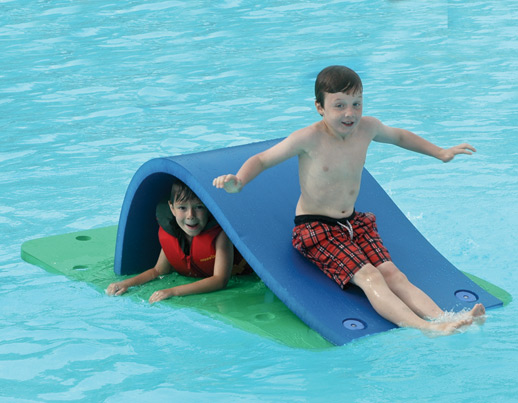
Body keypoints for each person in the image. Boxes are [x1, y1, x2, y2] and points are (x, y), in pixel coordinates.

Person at [213, 65, 485, 334]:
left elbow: (400, 136)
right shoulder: (307, 138)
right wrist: (239, 180)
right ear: (320, 107)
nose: (350, 113)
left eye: (357, 104)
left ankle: (445, 317)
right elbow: (262, 159)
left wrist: (439, 152)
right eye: (339, 105)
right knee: (370, 276)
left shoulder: (367, 128)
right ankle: (426, 327)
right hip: (316, 229)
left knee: (394, 274)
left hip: (353, 223)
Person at [107, 179, 249, 303]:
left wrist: (173, 291)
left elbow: (220, 280)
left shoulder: (221, 235)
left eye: (199, 207)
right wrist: (127, 283)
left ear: (208, 208)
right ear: (172, 208)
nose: (190, 215)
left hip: (243, 277)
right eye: (182, 208)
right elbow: (158, 270)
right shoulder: (172, 232)